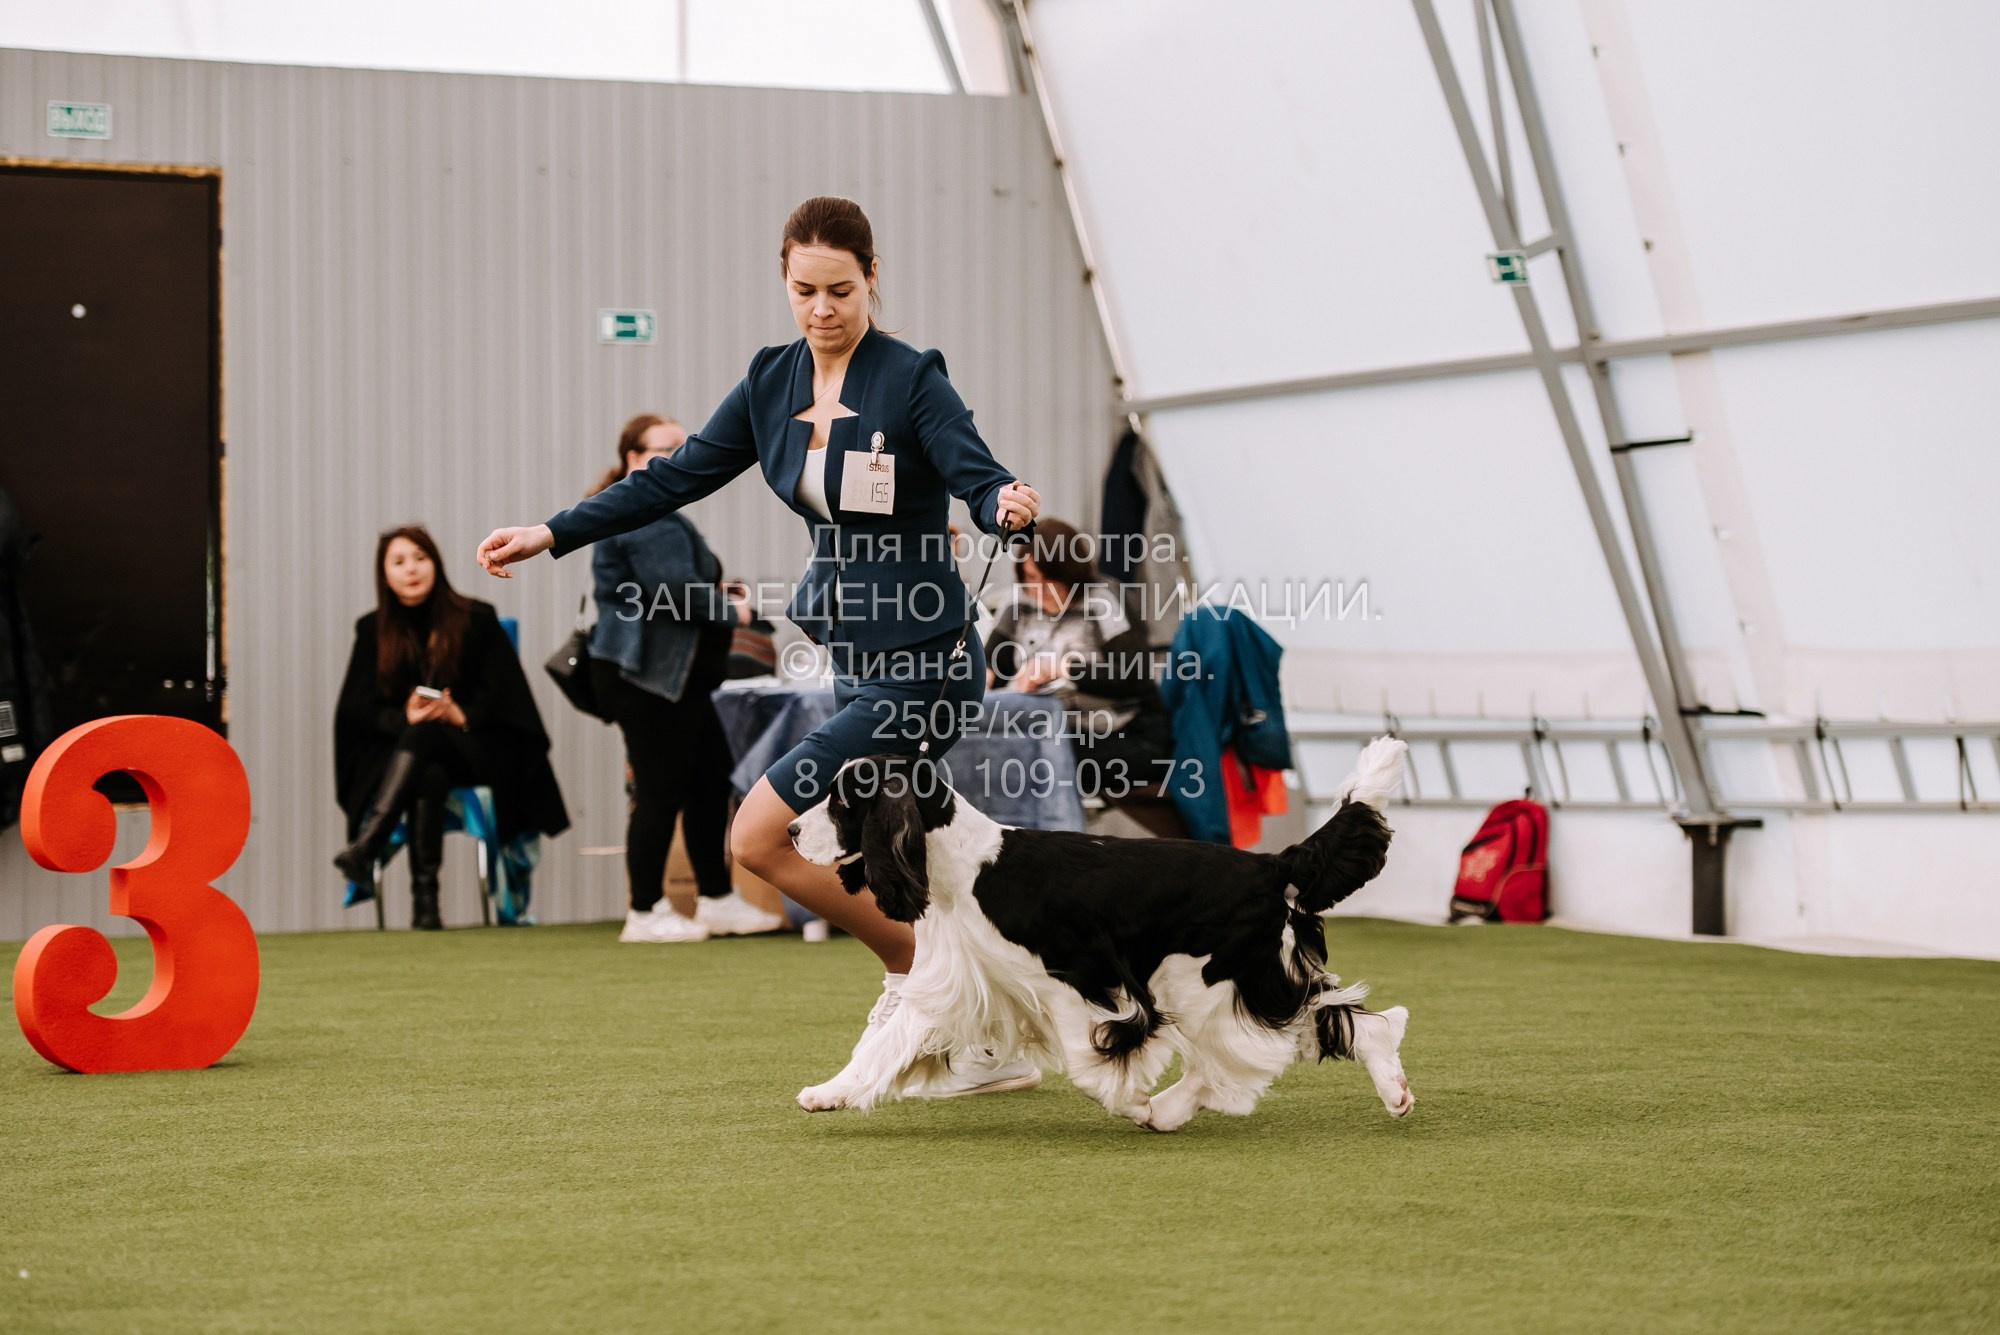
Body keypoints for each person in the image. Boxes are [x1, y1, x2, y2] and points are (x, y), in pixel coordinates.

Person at [476, 196, 1042, 1095]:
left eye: (842, 291)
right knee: (902, 857)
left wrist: (998, 500)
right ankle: (978, 1023)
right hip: (856, 656)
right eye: (805, 289)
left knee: (758, 835)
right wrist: (551, 533)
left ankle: (927, 987)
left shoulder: (911, 378)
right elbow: (672, 478)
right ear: (784, 281)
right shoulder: (770, 381)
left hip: (927, 660)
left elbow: (972, 470)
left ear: (872, 280)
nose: (823, 309)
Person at [586, 412, 787, 943]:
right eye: (667, 447)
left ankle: (716, 899)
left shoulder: (660, 508)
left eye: (685, 445)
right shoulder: (643, 511)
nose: (683, 455)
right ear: (633, 459)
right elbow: (676, 591)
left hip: (683, 683)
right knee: (660, 791)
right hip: (650, 681)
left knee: (707, 783)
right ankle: (644, 911)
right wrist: (737, 613)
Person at [333, 526, 569, 929]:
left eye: (420, 558)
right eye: (399, 561)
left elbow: (510, 700)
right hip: (410, 758)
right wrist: (404, 717)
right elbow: (356, 711)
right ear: (384, 574)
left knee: (425, 740)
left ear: (436, 564)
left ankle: (369, 846)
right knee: (428, 770)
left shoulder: (476, 618)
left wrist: (460, 714)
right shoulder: (372, 630)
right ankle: (426, 905)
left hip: (477, 749)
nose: (411, 569)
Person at [984, 518, 1174, 791]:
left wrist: (1063, 668)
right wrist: (980, 681)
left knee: (1037, 766)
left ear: (1071, 574)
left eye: (1052, 581)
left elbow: (1134, 676)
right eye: (1033, 579)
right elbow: (990, 662)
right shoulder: (1018, 601)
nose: (1041, 591)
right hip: (1056, 731)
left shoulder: (1102, 601)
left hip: (1125, 731)